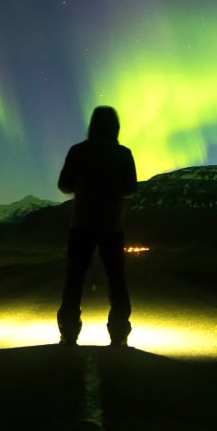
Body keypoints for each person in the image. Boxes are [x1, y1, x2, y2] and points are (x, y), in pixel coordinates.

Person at [56, 104, 138, 347]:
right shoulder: (123, 153)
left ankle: (69, 331)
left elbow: (64, 185)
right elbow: (131, 188)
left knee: (74, 278)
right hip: (112, 225)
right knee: (116, 278)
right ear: (116, 127)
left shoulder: (78, 151)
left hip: (81, 224)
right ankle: (119, 332)